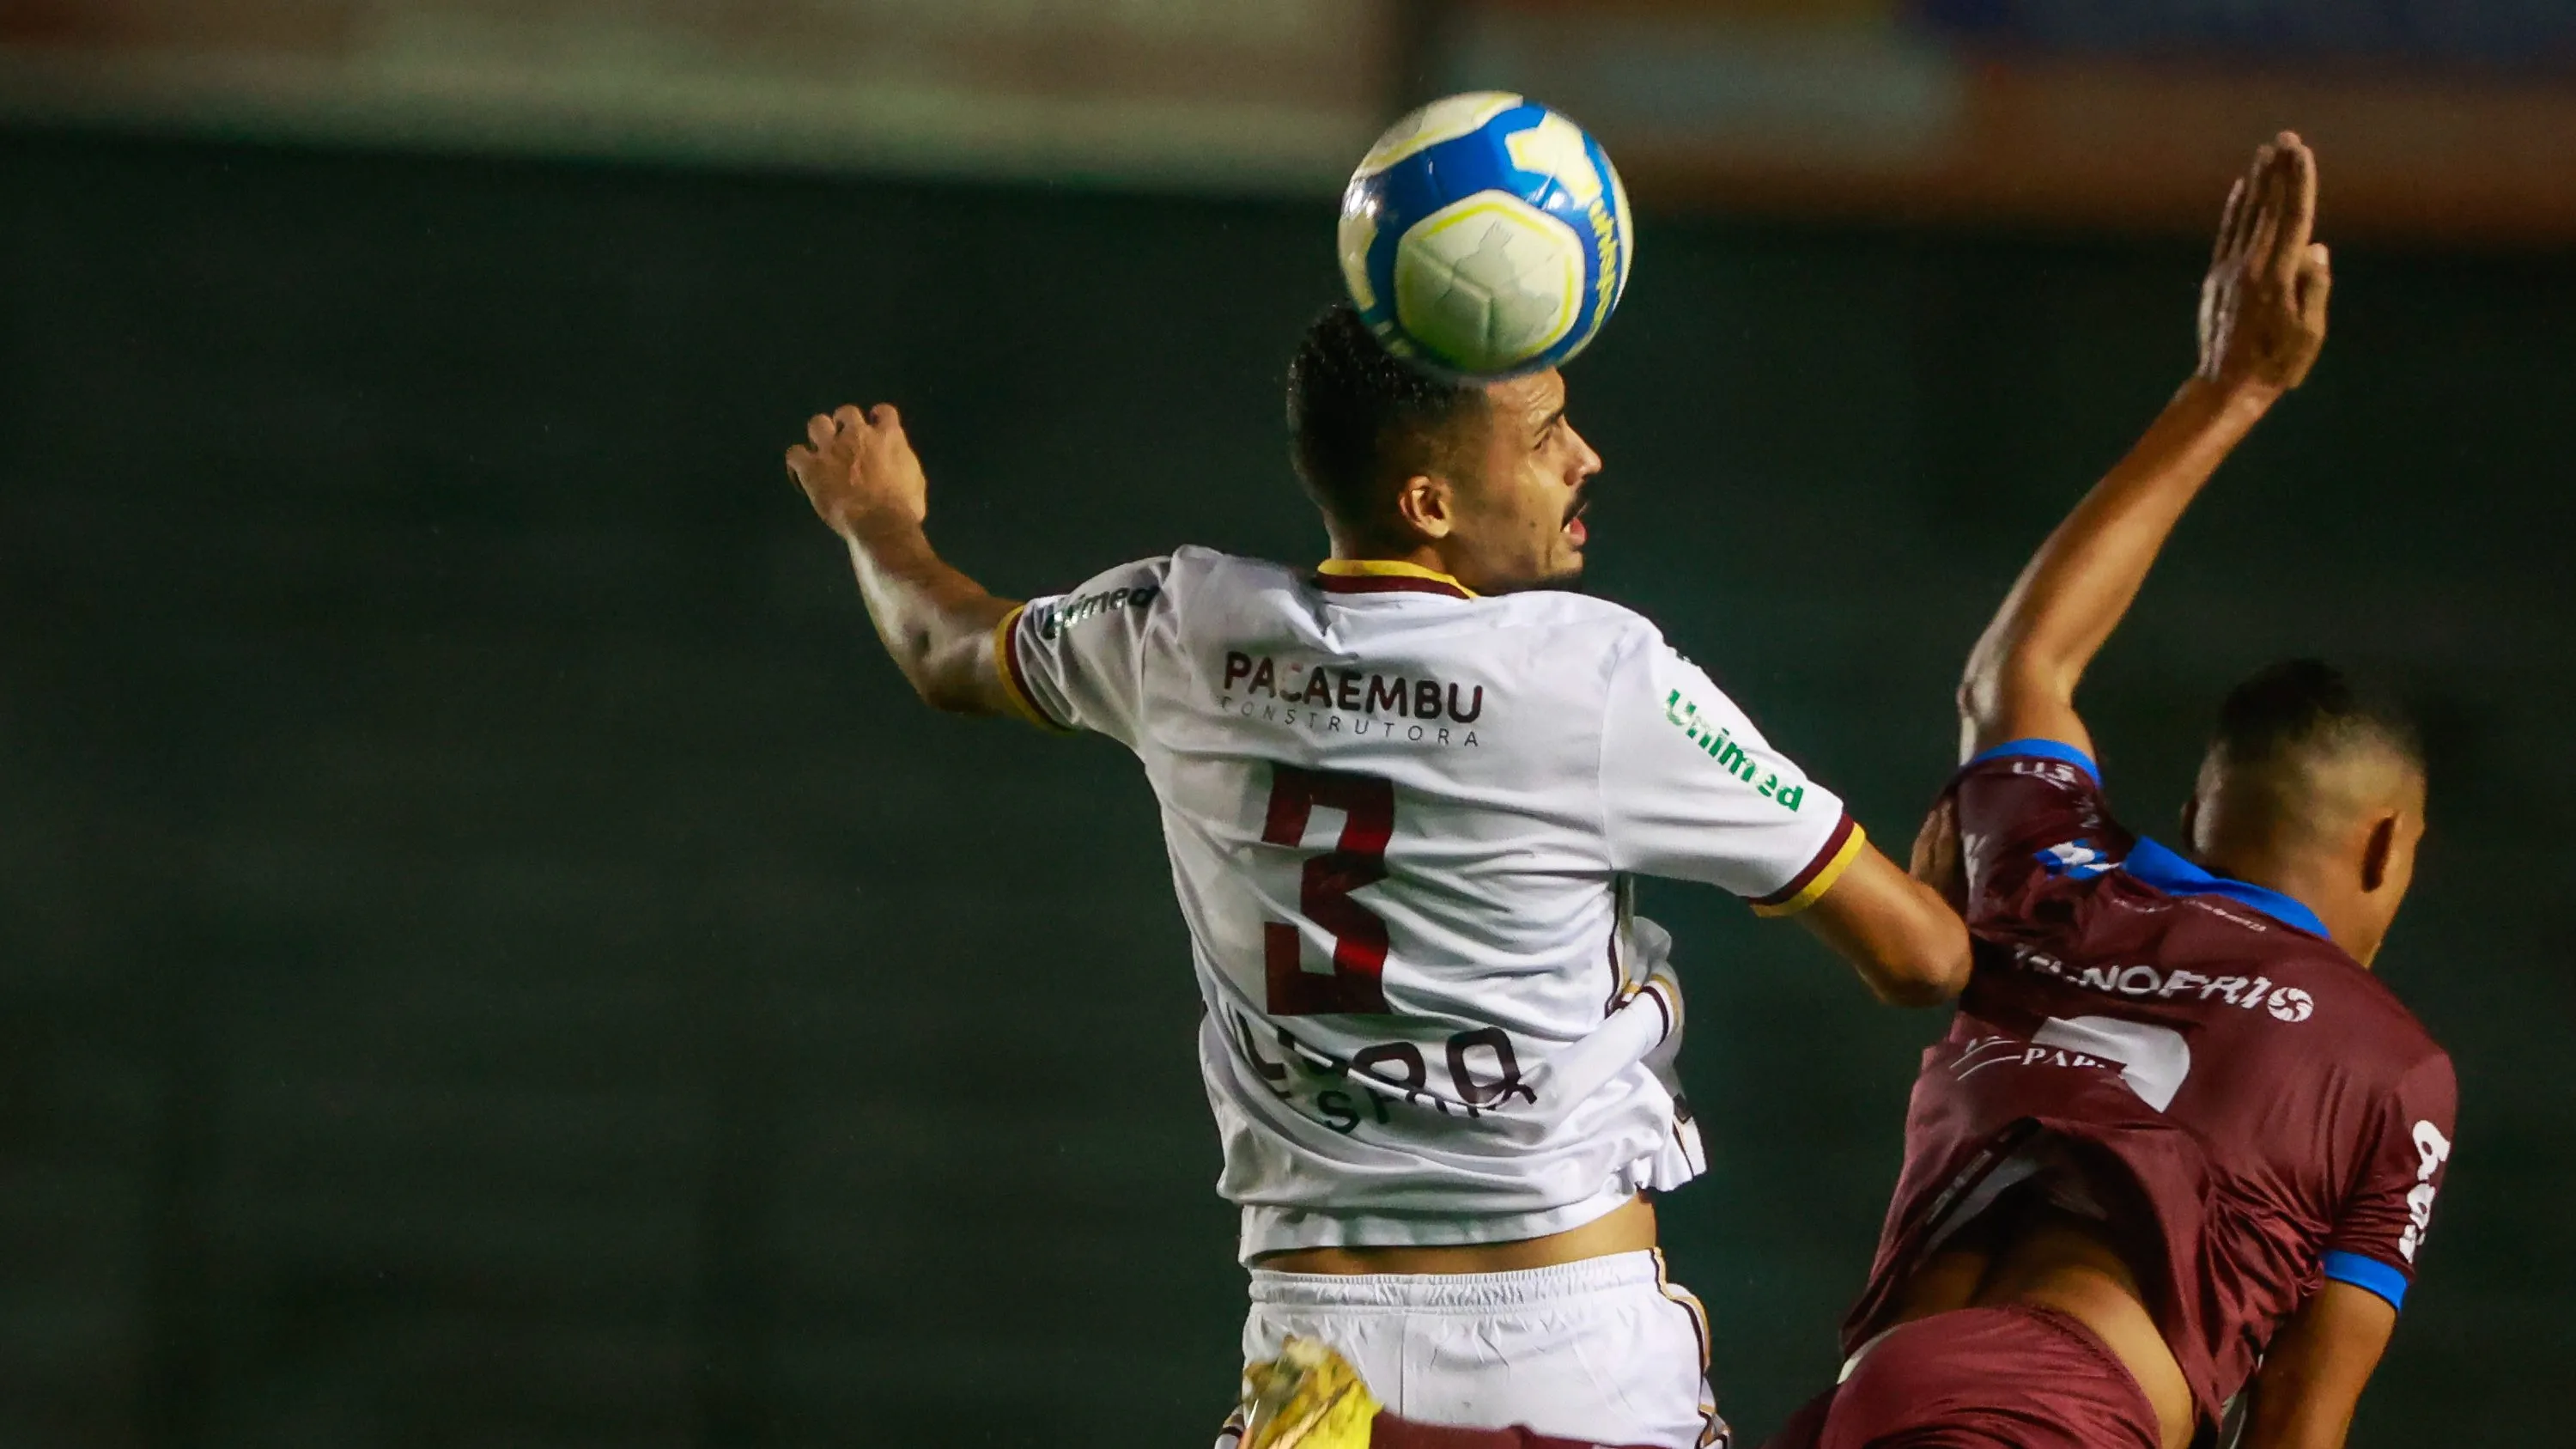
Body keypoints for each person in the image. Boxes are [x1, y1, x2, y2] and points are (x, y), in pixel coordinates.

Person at [783, 300, 1971, 1447]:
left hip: (1315, 1377)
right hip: (1566, 1351)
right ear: (1429, 501)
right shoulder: (1598, 676)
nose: (1585, 457)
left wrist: (878, 521)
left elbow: (944, 646)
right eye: (1548, 432)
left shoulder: (1184, 630)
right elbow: (1920, 959)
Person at [1761, 132, 2456, 1449]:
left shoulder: (2051, 872)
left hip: (1879, 1397)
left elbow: (2025, 662)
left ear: (2200, 817)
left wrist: (2230, 387)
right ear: (2385, 846)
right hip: (2052, 1417)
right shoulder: (2392, 1064)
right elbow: (2300, 1424)